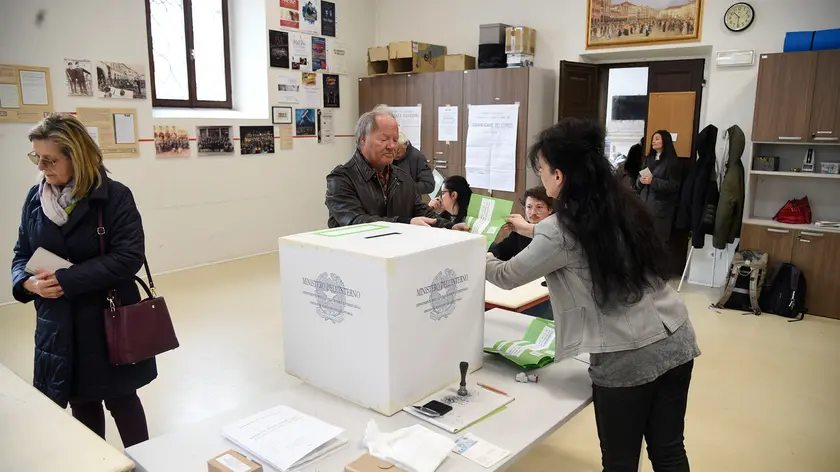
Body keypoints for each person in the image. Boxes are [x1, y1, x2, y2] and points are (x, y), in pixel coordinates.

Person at [488, 118, 699, 472]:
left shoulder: (560, 229)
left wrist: (478, 252)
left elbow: (509, 276)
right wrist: (532, 229)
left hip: (628, 358)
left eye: (541, 170)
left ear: (559, 176)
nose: (540, 178)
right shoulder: (619, 203)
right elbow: (572, 243)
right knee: (669, 451)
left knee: (619, 462)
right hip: (676, 337)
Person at [10, 114, 156, 448]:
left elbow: (128, 256)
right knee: (81, 401)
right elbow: (21, 254)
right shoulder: (35, 200)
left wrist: (67, 279)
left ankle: (150, 461)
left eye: (50, 159)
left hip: (107, 316)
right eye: (37, 158)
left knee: (121, 398)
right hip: (58, 322)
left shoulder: (115, 196)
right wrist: (27, 284)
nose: (42, 167)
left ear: (77, 156)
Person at [326, 106, 466, 230]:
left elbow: (422, 211)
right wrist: (406, 223)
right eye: (384, 139)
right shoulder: (342, 178)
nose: (392, 146)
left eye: (395, 139)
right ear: (363, 139)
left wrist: (449, 226)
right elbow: (356, 222)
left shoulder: (402, 177)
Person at [636, 130, 682, 244]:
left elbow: (674, 185)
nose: (653, 142)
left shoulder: (672, 162)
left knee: (657, 243)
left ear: (665, 141)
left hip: (660, 209)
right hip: (644, 205)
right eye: (653, 139)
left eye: (657, 139)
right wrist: (640, 181)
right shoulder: (648, 159)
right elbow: (639, 177)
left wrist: (653, 181)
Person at [488, 186, 554, 261]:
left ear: (550, 209)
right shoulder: (520, 229)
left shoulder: (555, 230)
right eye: (529, 207)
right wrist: (491, 254)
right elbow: (504, 249)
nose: (533, 213)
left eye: (539, 207)